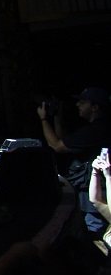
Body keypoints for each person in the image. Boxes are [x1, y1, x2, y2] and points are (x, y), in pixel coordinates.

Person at [38, 86, 111, 234]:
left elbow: (56, 146)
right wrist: (57, 117)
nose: (78, 105)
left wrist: (43, 118)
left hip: (98, 201)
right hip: (95, 197)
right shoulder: (98, 127)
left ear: (95, 107)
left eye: (83, 102)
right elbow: (66, 141)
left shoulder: (97, 130)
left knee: (95, 235)